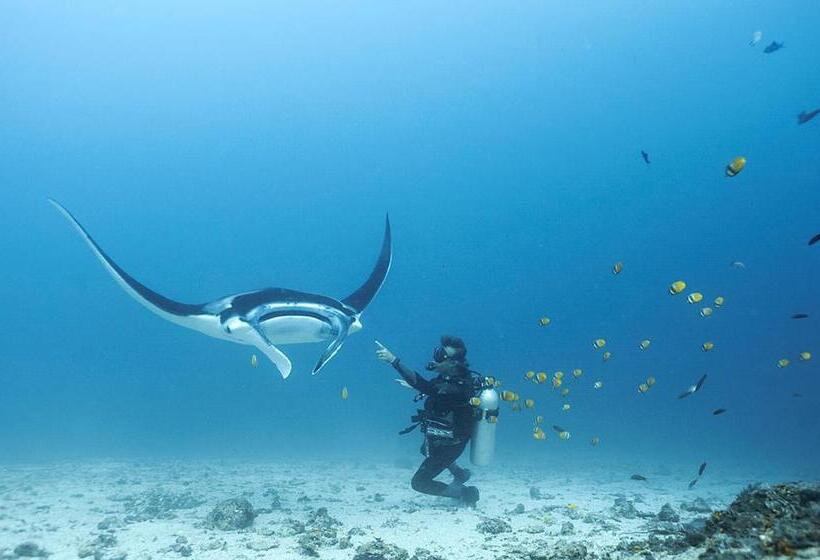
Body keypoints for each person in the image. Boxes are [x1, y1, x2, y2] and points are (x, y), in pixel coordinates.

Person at [376, 336, 480, 504]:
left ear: (453, 363)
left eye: (441, 356)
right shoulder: (447, 379)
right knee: (425, 451)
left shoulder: (459, 385)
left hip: (451, 445)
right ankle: (460, 474)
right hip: (440, 439)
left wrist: (394, 361)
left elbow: (428, 387)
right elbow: (432, 389)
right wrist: (417, 387)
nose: (435, 359)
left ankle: (465, 493)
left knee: (419, 483)